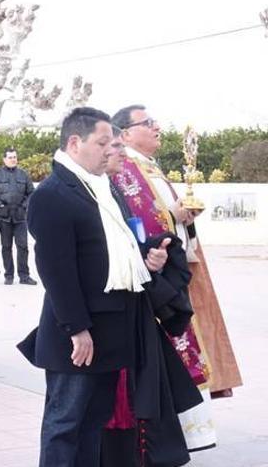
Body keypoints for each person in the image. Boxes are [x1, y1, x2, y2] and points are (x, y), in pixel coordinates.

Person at [17, 107, 152, 466]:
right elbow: (55, 270)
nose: (111, 150)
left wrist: (147, 256)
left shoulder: (100, 187)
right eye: (102, 142)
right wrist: (77, 328)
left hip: (110, 328)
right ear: (75, 143)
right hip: (78, 335)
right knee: (65, 424)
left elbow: (116, 245)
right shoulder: (54, 194)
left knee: (93, 424)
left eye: (113, 143)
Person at [110, 105, 241, 452]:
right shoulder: (125, 168)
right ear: (124, 133)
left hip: (177, 270)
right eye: (147, 123)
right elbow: (143, 221)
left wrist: (186, 218)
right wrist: (174, 216)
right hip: (159, 275)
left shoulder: (149, 166)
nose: (156, 127)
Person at [99, 124, 204, 467]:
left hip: (139, 305)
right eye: (109, 145)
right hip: (105, 314)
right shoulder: (82, 189)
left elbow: (137, 235)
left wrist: (153, 255)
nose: (115, 152)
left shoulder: (126, 179)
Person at [0, 147, 37, 285]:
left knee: (23, 247)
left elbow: (32, 193)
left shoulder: (24, 174)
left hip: (20, 216)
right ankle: (9, 276)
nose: (13, 159)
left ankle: (24, 276)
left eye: (14, 157)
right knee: (6, 247)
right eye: (10, 157)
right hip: (4, 217)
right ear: (4, 159)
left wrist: (24, 206)